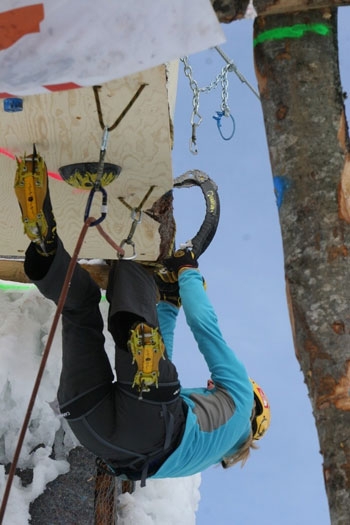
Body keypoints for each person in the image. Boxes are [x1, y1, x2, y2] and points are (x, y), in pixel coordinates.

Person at [14, 151, 271, 487]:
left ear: (256, 403)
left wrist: (187, 272)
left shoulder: (239, 398)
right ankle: (45, 247)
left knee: (134, 270)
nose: (210, 385)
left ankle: (130, 264)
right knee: (82, 309)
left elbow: (207, 330)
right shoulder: (203, 454)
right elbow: (155, 353)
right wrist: (168, 303)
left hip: (156, 420)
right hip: (97, 433)